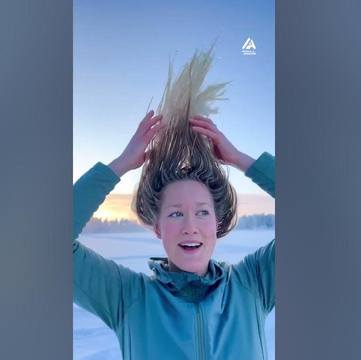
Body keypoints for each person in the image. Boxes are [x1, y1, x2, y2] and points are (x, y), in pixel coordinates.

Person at [73, 46, 275, 359]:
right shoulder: (127, 298)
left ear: (217, 222)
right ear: (157, 227)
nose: (190, 227)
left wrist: (241, 159)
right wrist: (119, 165)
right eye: (176, 213)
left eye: (202, 212)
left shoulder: (254, 285)